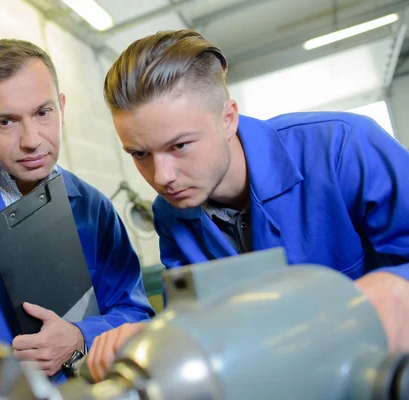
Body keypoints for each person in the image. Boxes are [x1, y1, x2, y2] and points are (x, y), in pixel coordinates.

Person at [86, 29, 409, 382]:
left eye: (179, 146)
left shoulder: (343, 147)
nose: (162, 177)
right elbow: (198, 323)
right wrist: (151, 341)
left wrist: (393, 286)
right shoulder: (170, 214)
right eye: (140, 153)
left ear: (228, 119)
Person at [0, 38, 154, 379]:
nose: (32, 139)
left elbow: (134, 313)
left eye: (42, 112)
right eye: (6, 122)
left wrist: (81, 336)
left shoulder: (94, 208)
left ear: (61, 109)